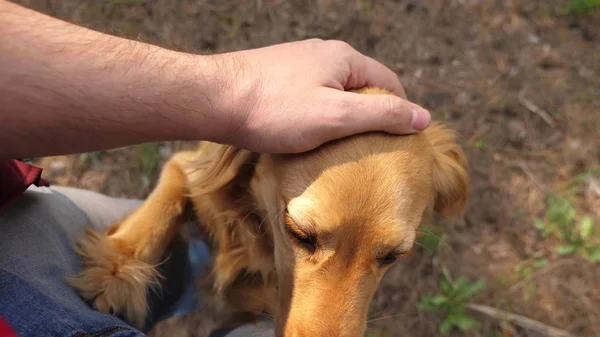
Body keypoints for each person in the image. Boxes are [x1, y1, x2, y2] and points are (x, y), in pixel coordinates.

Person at [0, 1, 430, 337]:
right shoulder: (232, 167)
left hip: (11, 214)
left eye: (389, 255)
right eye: (304, 235)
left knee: (174, 271)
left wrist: (238, 93)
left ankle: (186, 282)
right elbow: (191, 172)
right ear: (254, 160)